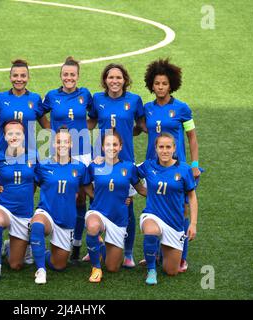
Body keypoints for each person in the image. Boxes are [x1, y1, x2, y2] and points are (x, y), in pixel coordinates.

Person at [142, 58, 201, 272]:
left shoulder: (182, 109)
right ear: (152, 84)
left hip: (178, 167)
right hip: (154, 167)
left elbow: (192, 138)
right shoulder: (147, 109)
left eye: (164, 84)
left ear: (171, 84)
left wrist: (194, 164)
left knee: (181, 210)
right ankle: (156, 253)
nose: (160, 87)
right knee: (156, 207)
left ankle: (181, 256)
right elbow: (139, 128)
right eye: (157, 83)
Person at [87, 63, 145, 267]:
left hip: (125, 159)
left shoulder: (134, 100)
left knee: (127, 205)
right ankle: (94, 245)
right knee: (95, 202)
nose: (114, 81)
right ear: (105, 80)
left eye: (118, 78)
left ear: (125, 80)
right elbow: (91, 122)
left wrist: (129, 134)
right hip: (100, 159)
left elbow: (142, 125)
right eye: (111, 77)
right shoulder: (97, 99)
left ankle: (127, 252)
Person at [41, 56, 93, 263]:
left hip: (82, 151)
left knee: (82, 197)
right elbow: (40, 115)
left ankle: (76, 244)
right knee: (57, 192)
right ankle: (56, 237)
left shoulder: (85, 95)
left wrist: (84, 129)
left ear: (78, 76)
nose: (68, 78)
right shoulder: (52, 96)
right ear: (60, 76)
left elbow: (95, 116)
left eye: (72, 75)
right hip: (58, 151)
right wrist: (50, 131)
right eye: (65, 74)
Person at [84, 130, 146, 282]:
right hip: (98, 213)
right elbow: (85, 185)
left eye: (115, 144)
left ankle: (101, 247)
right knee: (92, 226)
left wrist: (164, 196)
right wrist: (95, 196)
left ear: (121, 147)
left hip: (118, 219)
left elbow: (140, 189)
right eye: (108, 144)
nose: (111, 148)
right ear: (103, 147)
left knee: (112, 267)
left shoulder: (129, 167)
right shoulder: (94, 166)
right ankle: (96, 268)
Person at [30, 128, 90, 284]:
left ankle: (33, 249)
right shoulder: (43, 166)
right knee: (37, 225)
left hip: (66, 218)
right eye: (58, 142)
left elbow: (88, 191)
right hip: (47, 212)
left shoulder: (80, 168)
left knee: (59, 265)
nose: (62, 145)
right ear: (53, 144)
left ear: (71, 144)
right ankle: (41, 270)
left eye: (66, 142)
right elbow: (30, 186)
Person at [137, 133, 198, 285]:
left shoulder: (184, 169)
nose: (164, 151)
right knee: (151, 231)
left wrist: (193, 224)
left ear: (174, 149)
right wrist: (141, 190)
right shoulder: (148, 165)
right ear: (156, 149)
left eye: (168, 147)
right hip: (152, 215)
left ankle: (160, 253)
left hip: (174, 223)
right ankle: (151, 269)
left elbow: (192, 197)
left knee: (171, 271)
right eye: (161, 147)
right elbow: (128, 173)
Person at [0, 120, 38, 282]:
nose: (14, 136)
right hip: (3, 206)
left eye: (18, 133)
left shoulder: (33, 156)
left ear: (24, 136)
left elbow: (38, 181)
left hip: (23, 212)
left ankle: (10, 245)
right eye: (10, 133)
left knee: (16, 265)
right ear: (4, 136)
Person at [0, 59, 49, 158]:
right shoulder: (0, 98)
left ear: (28, 77)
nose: (19, 79)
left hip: (30, 156)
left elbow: (47, 126)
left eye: (23, 76)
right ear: (10, 77)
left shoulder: (35, 99)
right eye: (15, 75)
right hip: (4, 155)